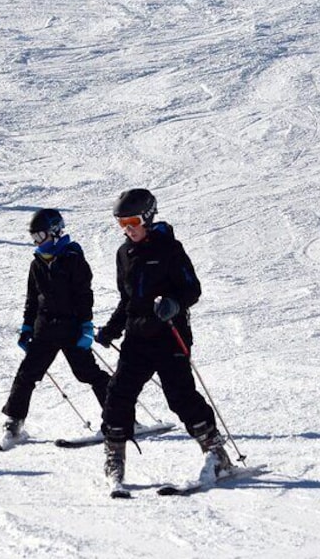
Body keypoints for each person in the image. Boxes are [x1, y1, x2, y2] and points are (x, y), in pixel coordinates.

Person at [96, 188, 234, 486]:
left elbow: (192, 289)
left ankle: (215, 453)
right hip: (137, 338)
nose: (127, 229)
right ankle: (114, 459)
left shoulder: (170, 248)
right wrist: (111, 329)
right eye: (121, 223)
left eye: (131, 221)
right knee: (118, 394)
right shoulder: (124, 253)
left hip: (170, 335)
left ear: (146, 216)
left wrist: (173, 302)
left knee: (180, 396)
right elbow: (127, 300)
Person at [0, 208, 111, 444]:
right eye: (34, 238)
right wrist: (27, 327)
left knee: (87, 374)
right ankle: (14, 423)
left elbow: (84, 295)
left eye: (41, 236)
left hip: (71, 328)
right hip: (44, 330)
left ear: (56, 232)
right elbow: (32, 299)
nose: (38, 242)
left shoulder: (73, 258)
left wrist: (86, 326)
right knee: (26, 374)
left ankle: (120, 417)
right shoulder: (37, 263)